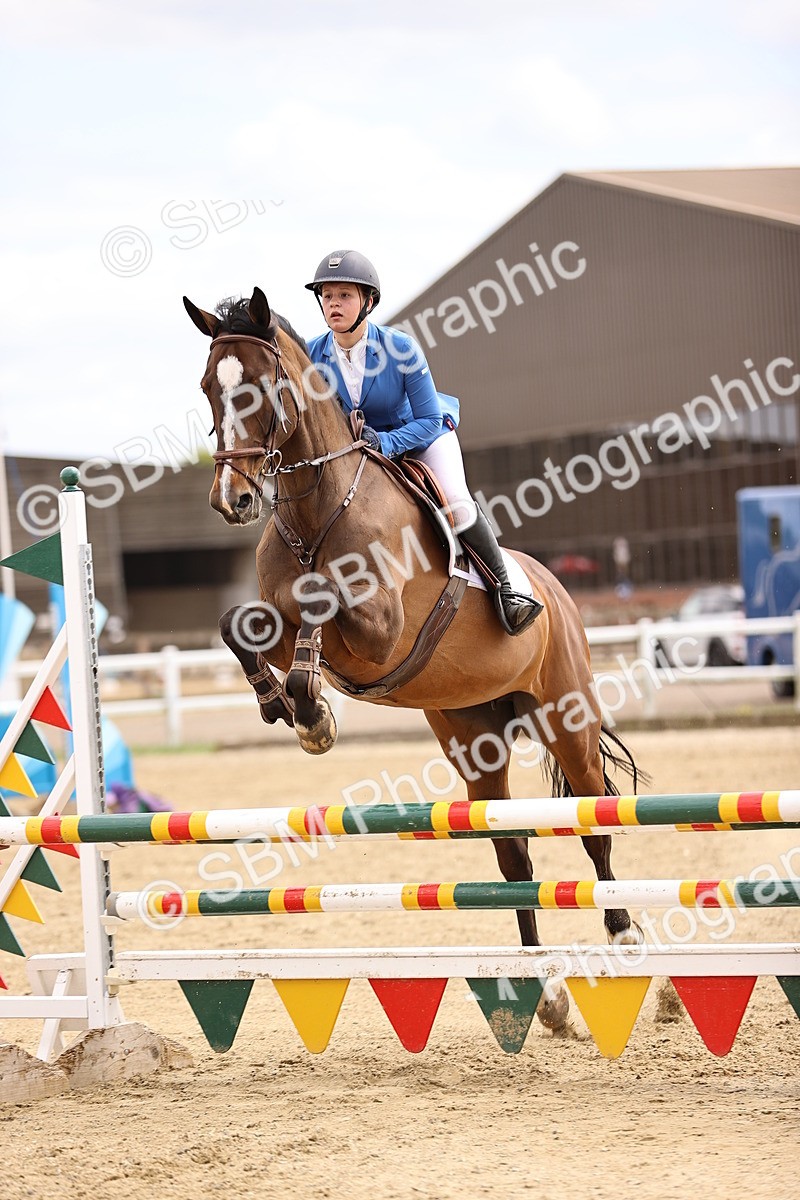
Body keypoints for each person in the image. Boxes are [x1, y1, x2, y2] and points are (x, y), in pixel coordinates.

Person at [305, 249, 542, 636]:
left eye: (344, 295)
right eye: (327, 296)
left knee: (458, 505)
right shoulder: (313, 355)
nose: (334, 304)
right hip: (360, 453)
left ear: (368, 301)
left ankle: (507, 592)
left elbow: (430, 419)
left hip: (420, 437)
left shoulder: (401, 349)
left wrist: (386, 441)